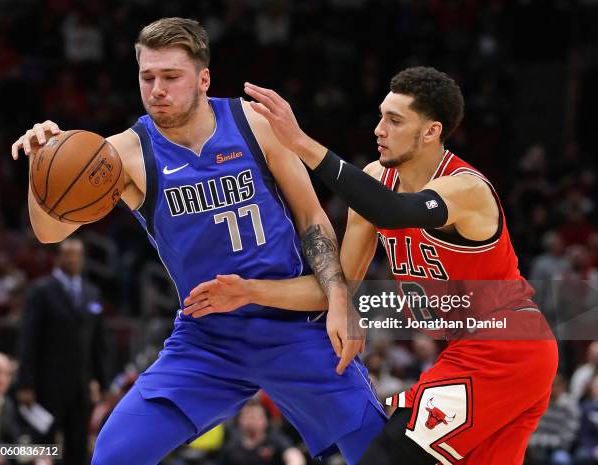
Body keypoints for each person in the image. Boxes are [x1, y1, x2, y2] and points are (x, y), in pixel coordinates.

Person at [10, 17, 386, 465]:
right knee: (113, 453)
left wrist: (339, 298)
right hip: (208, 338)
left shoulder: (253, 122)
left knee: (379, 450)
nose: (157, 89)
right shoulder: (124, 153)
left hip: (293, 324)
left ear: (203, 79)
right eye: (147, 77)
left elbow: (312, 219)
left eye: (171, 77)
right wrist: (42, 165)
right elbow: (49, 231)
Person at [185, 67, 559, 465]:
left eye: (395, 121)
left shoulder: (466, 188)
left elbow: (394, 211)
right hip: (473, 349)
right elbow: (336, 285)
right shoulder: (375, 178)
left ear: (431, 132)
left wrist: (300, 144)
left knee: (386, 456)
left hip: (507, 345)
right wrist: (248, 291)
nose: (379, 129)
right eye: (381, 115)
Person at [16, 239, 107, 465]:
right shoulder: (40, 290)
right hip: (47, 384)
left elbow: (98, 342)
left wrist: (102, 382)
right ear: (57, 258)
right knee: (44, 447)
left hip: (81, 386)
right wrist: (25, 383)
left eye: (78, 255)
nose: (74, 259)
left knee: (77, 446)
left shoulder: (92, 291)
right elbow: (28, 338)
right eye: (68, 254)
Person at [219, 397, 305, 465]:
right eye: (246, 417)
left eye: (254, 417)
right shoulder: (232, 446)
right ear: (240, 421)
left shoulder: (275, 440)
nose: (251, 421)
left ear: (265, 420)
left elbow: (294, 456)